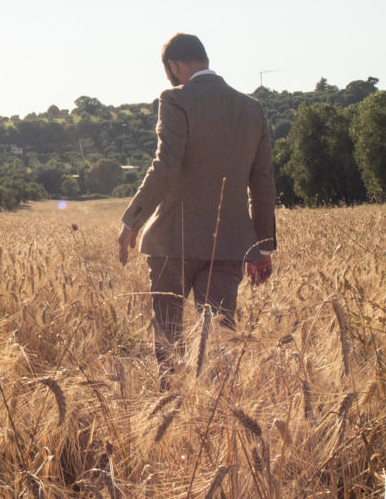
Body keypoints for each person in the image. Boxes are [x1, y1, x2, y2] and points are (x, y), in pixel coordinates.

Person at [114, 33, 278, 358]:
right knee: (217, 345)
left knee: (169, 342)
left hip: (174, 241)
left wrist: (132, 219)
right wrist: (263, 246)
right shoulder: (252, 109)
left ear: (173, 66)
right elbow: (262, 182)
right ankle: (214, 407)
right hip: (230, 243)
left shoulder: (175, 99)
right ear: (204, 59)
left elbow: (166, 164)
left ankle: (172, 402)